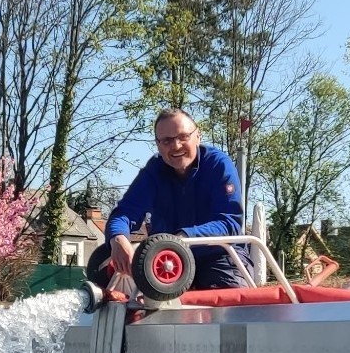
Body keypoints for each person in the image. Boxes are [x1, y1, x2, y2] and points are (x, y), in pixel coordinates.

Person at [105, 108, 250, 290]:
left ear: (198, 136)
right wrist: (117, 238)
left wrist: (182, 238)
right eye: (167, 140)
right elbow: (125, 212)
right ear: (158, 144)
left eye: (183, 137)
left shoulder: (219, 165)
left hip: (221, 256)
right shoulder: (153, 173)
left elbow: (230, 223)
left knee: (224, 303)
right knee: (125, 299)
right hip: (169, 261)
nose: (176, 146)